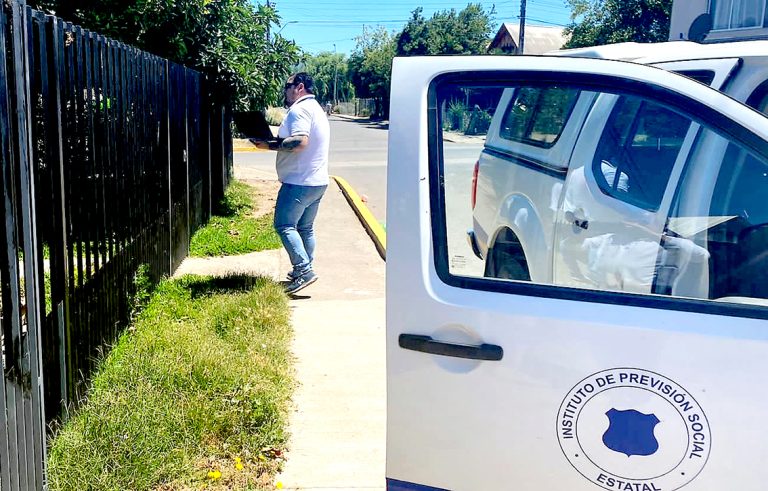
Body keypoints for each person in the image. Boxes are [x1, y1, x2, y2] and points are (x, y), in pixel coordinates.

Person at [252, 73, 330, 294]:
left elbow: (300, 142)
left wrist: (268, 146)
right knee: (305, 228)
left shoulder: (299, 110)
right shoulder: (316, 108)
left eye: (287, 86)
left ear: (299, 87)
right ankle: (304, 270)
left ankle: (304, 270)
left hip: (299, 181)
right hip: (317, 181)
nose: (285, 90)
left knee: (284, 225)